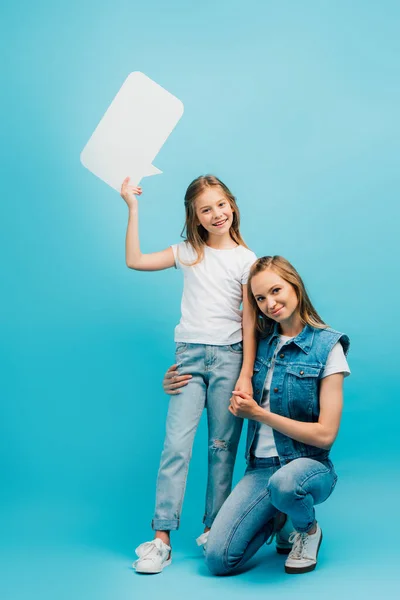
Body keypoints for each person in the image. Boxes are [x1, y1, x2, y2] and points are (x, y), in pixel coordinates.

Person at [163, 255, 350, 574]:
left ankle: (307, 530)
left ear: (295, 285)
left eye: (276, 291)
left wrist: (260, 415)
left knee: (286, 482)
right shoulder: (255, 347)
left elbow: (325, 434)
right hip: (260, 469)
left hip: (307, 466)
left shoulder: (326, 346)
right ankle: (278, 516)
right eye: (260, 298)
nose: (270, 303)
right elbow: (216, 381)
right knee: (219, 560)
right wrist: (180, 380)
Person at [120, 175, 257, 574]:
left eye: (221, 204)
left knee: (221, 449)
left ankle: (214, 528)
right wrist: (132, 206)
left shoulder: (247, 260)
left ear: (232, 204)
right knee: (176, 447)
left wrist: (246, 373)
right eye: (206, 209)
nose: (216, 214)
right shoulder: (187, 253)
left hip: (231, 358)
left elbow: (250, 321)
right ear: (195, 217)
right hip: (190, 358)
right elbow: (135, 260)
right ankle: (161, 538)